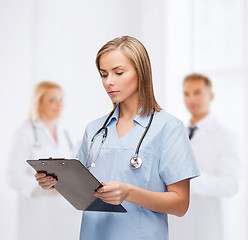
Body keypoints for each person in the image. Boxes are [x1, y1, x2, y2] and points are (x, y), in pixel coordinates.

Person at [35, 36, 200, 240]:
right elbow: (82, 189)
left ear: (141, 72)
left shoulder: (168, 128)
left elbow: (180, 204)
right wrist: (54, 183)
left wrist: (129, 193)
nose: (109, 82)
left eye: (118, 72)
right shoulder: (94, 130)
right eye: (104, 74)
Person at [168, 73, 242, 240]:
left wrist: (186, 181)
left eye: (197, 92)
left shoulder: (226, 137)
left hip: (207, 227)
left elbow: (232, 185)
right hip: (179, 226)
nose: (191, 99)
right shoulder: (177, 134)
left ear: (211, 96)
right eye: (186, 94)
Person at [7, 81, 81, 240]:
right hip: (37, 212)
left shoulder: (64, 132)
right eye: (52, 100)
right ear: (39, 103)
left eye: (61, 99)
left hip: (64, 211)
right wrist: (44, 186)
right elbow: (13, 177)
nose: (59, 104)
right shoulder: (25, 132)